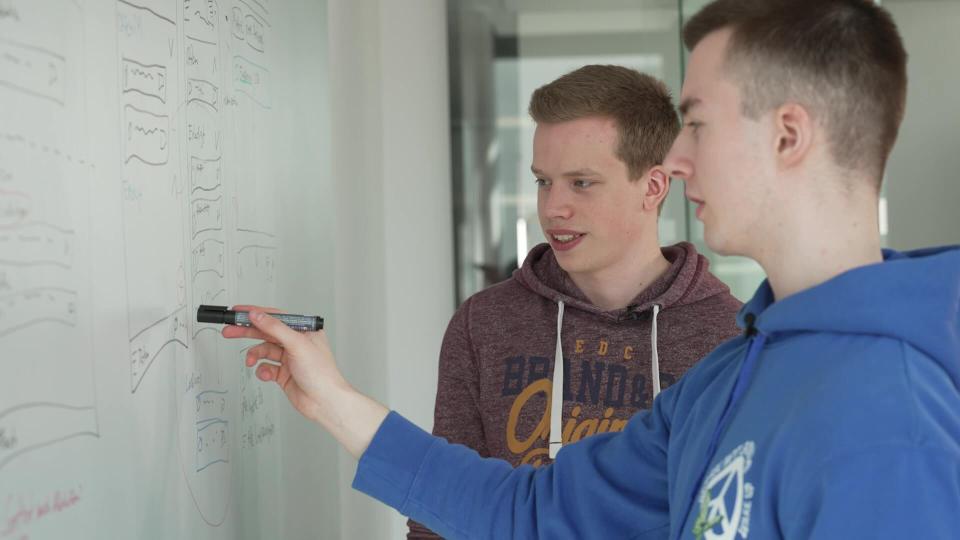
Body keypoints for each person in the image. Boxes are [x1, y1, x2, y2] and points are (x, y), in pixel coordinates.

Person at [223, 0, 960, 537]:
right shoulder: (733, 377)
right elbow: (528, 511)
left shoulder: (891, 425)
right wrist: (332, 398)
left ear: (789, 135)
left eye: (697, 123)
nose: (675, 159)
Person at [408, 65, 742, 538]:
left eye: (581, 183)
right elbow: (441, 507)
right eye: (544, 181)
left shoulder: (728, 336)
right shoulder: (483, 323)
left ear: (653, 187)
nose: (552, 208)